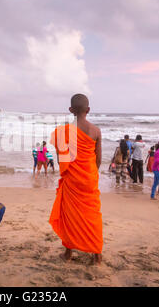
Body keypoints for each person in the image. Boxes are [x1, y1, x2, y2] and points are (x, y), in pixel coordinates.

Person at [49, 93, 103, 265]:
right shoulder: (95, 131)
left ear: (71, 110)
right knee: (92, 215)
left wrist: (70, 173)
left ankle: (68, 253)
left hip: (72, 179)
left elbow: (61, 161)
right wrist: (91, 175)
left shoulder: (62, 132)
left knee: (70, 215)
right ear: (88, 110)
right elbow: (98, 159)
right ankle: (96, 255)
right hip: (89, 179)